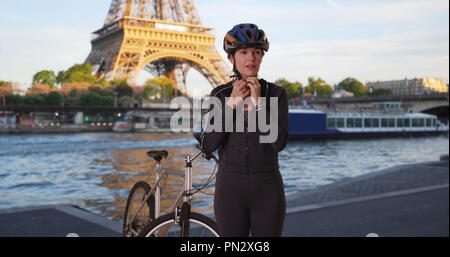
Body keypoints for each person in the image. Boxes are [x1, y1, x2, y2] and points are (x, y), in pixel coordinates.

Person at [199, 23, 289, 237]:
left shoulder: (276, 93)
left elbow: (279, 143)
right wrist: (231, 103)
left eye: (257, 52)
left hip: (267, 187)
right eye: (244, 52)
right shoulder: (220, 94)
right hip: (229, 189)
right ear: (231, 58)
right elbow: (207, 145)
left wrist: (258, 104)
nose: (251, 58)